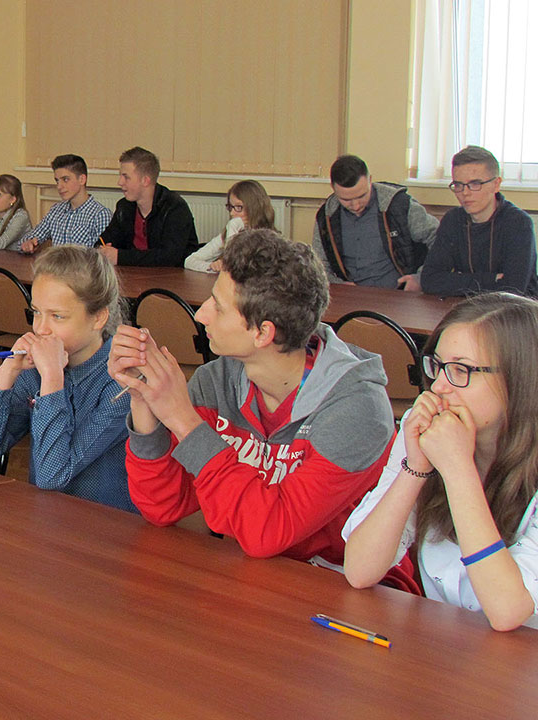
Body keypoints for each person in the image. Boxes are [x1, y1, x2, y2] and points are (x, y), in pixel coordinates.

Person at [109, 229, 403, 574]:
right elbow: (163, 506)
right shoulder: (216, 382)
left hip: (341, 585)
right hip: (253, 574)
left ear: (263, 333)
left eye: (218, 307)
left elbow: (268, 531)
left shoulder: (357, 410)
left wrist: (182, 419)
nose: (201, 315)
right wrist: (143, 397)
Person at [343, 293, 538, 630]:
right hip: (450, 646)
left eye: (461, 370)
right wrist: (416, 468)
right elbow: (360, 570)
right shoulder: (430, 431)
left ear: (520, 379)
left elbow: (508, 611)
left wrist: (458, 470)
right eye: (437, 366)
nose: (440, 386)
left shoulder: (452, 449)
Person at [0, 246, 133, 511]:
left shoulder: (121, 382)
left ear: (99, 318)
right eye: (36, 312)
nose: (41, 328)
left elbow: (52, 476)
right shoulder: (35, 370)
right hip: (48, 519)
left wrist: (52, 380)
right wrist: (6, 375)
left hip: (107, 526)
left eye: (57, 316)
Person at [421, 146, 538, 297]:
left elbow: (512, 289)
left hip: (515, 309)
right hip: (466, 306)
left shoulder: (518, 223)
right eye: (458, 185)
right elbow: (430, 280)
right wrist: (491, 279)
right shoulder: (453, 220)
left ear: (496, 184)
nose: (465, 193)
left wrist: (457, 281)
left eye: (475, 184)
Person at [312, 154, 438, 291]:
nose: (356, 206)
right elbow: (319, 262)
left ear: (370, 180)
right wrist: (336, 283)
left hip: (398, 293)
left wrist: (421, 277)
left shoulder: (399, 206)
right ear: (333, 187)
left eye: (362, 196)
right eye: (346, 200)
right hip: (351, 295)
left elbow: (439, 239)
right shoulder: (326, 216)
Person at [99, 146, 198, 267]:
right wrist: (102, 250)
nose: (120, 182)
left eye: (126, 177)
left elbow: (169, 256)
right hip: (132, 273)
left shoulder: (175, 208)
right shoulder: (124, 207)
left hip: (172, 275)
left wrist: (121, 257)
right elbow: (105, 240)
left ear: (145, 181)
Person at [19, 154, 111, 253]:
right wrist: (29, 243)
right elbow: (31, 237)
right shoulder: (56, 210)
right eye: (57, 181)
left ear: (82, 179)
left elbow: (103, 257)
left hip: (82, 263)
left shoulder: (100, 214)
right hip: (55, 262)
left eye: (65, 179)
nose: (59, 186)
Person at [184, 180, 275, 273]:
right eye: (230, 207)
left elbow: (235, 267)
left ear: (254, 208)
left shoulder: (268, 241)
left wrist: (233, 226)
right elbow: (190, 261)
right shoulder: (229, 233)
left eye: (239, 207)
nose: (232, 213)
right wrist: (212, 267)